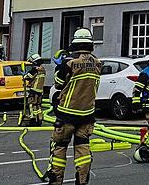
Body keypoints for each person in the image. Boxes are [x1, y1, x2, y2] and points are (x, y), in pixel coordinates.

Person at [47, 29, 102, 185]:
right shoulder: (97, 63)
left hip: (66, 114)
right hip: (87, 114)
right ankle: (82, 180)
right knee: (83, 148)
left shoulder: (69, 63)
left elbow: (58, 84)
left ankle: (56, 180)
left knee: (59, 147)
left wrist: (60, 67)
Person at [22, 53, 46, 126]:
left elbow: (27, 77)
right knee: (38, 106)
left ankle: (33, 120)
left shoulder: (34, 69)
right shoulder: (43, 69)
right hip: (40, 91)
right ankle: (39, 120)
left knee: (31, 105)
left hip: (34, 90)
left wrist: (24, 75)